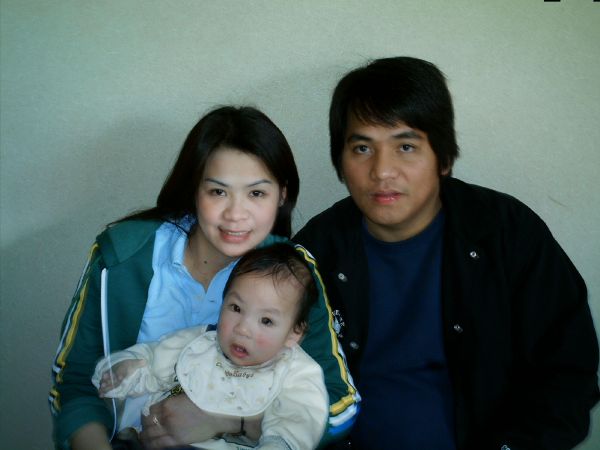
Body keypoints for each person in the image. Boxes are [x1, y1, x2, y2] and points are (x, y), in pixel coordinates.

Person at [293, 57, 599, 450]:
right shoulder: (314, 254)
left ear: (444, 157)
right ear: (340, 161)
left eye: (405, 146)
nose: (382, 171)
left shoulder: (506, 233)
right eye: (363, 148)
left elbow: (567, 373)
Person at [49, 105, 359, 450]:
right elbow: (75, 381)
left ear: (281, 195)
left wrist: (229, 422)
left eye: (256, 193)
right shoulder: (122, 257)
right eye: (218, 192)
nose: (236, 214)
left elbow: (339, 401)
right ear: (195, 189)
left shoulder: (291, 276)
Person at [92, 243, 329, 450]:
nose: (243, 329)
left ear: (294, 333)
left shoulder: (296, 372)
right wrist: (126, 368)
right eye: (236, 308)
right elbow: (152, 358)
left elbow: (297, 423)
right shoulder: (200, 341)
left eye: (266, 321)